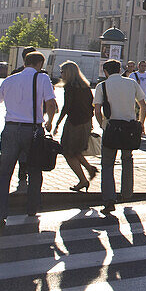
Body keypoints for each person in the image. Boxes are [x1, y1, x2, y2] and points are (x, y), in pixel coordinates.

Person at [0, 50, 57, 229]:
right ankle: (32, 208)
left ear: (25, 62)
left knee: (3, 173)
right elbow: (51, 103)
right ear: (40, 64)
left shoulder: (10, 80)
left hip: (10, 129)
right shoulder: (42, 79)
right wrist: (49, 121)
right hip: (33, 130)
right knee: (34, 170)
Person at [93, 59, 146, 217]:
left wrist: (102, 124)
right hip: (129, 128)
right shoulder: (131, 83)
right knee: (127, 159)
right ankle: (127, 193)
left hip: (111, 128)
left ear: (106, 72)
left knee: (108, 164)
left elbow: (97, 110)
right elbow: (143, 105)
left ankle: (109, 199)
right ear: (120, 69)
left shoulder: (101, 86)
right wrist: (141, 123)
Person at [51, 60, 98, 192]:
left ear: (68, 72)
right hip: (86, 122)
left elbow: (67, 106)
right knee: (76, 150)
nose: (61, 74)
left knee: (68, 152)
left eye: (62, 71)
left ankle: (83, 179)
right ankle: (89, 169)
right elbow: (91, 105)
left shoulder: (70, 87)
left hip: (74, 122)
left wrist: (57, 123)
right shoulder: (85, 86)